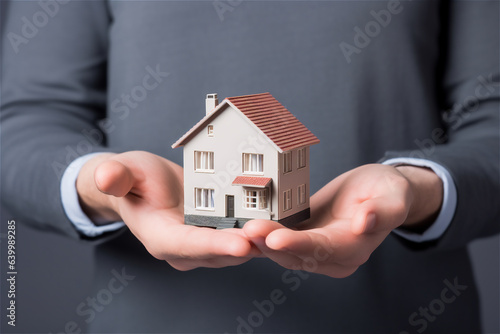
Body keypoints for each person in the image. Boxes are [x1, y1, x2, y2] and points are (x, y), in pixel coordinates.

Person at [1, 0, 498, 333]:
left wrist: (420, 189)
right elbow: (26, 120)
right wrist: (99, 186)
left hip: (403, 314)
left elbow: (491, 121)